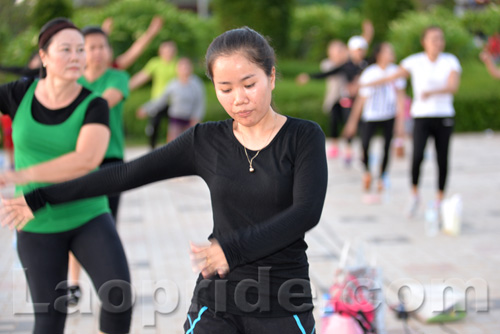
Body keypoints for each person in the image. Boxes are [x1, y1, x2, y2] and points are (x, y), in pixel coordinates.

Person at [1, 27, 328, 334]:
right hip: (218, 299)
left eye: (248, 84)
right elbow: (126, 173)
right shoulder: (206, 140)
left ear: (271, 76)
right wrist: (41, 196)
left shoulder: (302, 136)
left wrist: (232, 249)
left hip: (284, 301)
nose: (238, 99)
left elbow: (305, 212)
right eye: (225, 89)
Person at [0, 18, 132, 334]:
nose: (77, 56)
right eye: (66, 49)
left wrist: (21, 175)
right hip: (36, 222)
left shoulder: (93, 104)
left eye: (80, 50)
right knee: (49, 318)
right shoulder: (19, 94)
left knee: (119, 300)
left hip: (88, 215)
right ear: (44, 57)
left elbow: (86, 160)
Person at [362, 26, 461, 217]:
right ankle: (414, 194)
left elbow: (453, 86)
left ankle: (439, 199)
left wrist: (432, 92)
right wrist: (365, 84)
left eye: (440, 38)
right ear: (424, 41)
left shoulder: (450, 61)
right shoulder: (414, 61)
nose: (437, 42)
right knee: (417, 157)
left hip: (444, 115)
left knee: (442, 158)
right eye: (433, 39)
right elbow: (390, 77)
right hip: (422, 116)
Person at [64, 25, 131, 307]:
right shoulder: (72, 79)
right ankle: (73, 284)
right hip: (78, 161)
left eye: (103, 46)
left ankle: (111, 287)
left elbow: (104, 103)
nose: (98, 52)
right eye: (90, 47)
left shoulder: (117, 77)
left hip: (110, 161)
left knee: (106, 226)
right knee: (75, 220)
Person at [297, 20, 374, 166]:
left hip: (364, 101)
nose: (359, 53)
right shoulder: (345, 65)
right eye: (356, 50)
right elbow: (327, 73)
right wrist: (309, 76)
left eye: (361, 50)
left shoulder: (367, 64)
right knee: (344, 122)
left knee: (364, 126)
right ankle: (348, 150)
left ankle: (364, 151)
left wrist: (368, 33)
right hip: (348, 100)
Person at [343, 42, 406, 202]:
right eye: (388, 51)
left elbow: (400, 97)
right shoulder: (370, 72)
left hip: (388, 115)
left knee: (387, 147)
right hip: (371, 115)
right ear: (379, 54)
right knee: (365, 146)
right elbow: (360, 100)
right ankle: (367, 172)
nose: (392, 53)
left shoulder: (395, 71)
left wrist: (401, 122)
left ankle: (382, 176)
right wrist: (352, 123)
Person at [137, 57, 205, 142]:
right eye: (182, 67)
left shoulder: (197, 84)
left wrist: (197, 117)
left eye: (187, 67)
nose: (184, 70)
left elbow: (200, 102)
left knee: (190, 145)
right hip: (176, 119)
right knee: (173, 145)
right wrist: (146, 108)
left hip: (190, 120)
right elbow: (161, 100)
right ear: (177, 69)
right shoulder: (173, 84)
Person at [129, 40, 178, 148]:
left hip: (174, 102)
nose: (168, 52)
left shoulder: (178, 64)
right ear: (160, 52)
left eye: (171, 50)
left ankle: (173, 149)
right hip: (158, 101)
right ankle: (152, 150)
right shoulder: (155, 63)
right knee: (154, 126)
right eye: (166, 50)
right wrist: (125, 86)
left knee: (174, 128)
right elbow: (142, 76)